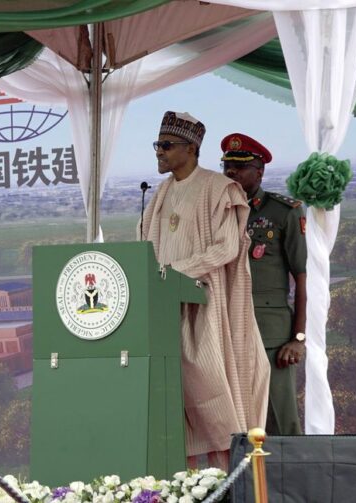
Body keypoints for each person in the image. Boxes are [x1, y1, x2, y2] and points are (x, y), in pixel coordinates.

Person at [140, 112, 270, 469]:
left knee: (210, 385)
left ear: (191, 149)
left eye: (166, 145)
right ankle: (184, 480)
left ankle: (228, 475)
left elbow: (225, 248)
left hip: (205, 305)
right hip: (165, 307)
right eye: (158, 145)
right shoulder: (161, 193)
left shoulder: (218, 188)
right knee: (171, 396)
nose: (159, 152)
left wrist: (172, 273)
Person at [221, 132, 307, 435]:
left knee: (280, 419)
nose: (231, 172)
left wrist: (298, 338)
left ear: (260, 171)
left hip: (271, 332)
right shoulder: (217, 212)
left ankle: (291, 482)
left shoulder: (283, 212)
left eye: (241, 166)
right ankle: (245, 482)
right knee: (236, 422)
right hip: (227, 327)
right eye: (227, 165)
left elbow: (302, 278)